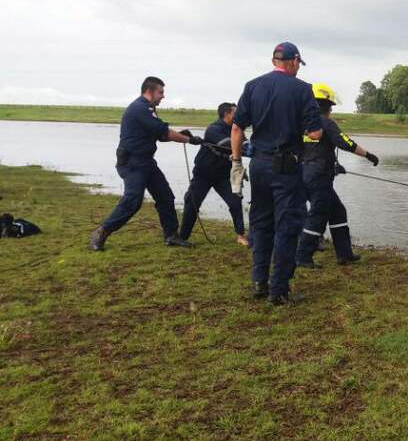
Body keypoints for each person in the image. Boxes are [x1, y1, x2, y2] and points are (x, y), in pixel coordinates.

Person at [230, 42, 322, 305]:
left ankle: (259, 281)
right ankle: (279, 289)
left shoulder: (252, 86)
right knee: (287, 226)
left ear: (274, 61)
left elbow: (236, 129)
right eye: (298, 64)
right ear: (294, 61)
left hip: (258, 164)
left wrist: (236, 162)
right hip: (287, 168)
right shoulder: (302, 89)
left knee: (261, 222)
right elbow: (315, 133)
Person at [89, 76, 202, 251]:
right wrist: (189, 139)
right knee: (133, 200)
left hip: (146, 161)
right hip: (132, 162)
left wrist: (182, 134)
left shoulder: (148, 108)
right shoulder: (140, 108)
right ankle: (101, 232)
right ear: (150, 91)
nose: (163, 96)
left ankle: (171, 235)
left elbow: (161, 135)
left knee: (165, 196)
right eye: (161, 92)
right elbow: (165, 132)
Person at [295, 84, 379, 269]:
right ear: (325, 106)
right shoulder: (325, 123)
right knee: (318, 215)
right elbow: (345, 143)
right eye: (331, 107)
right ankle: (302, 256)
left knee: (338, 211)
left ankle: (344, 254)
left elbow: (309, 149)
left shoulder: (301, 123)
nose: (331, 111)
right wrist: (368, 155)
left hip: (304, 174)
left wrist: (333, 164)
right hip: (319, 177)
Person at [178, 102, 248, 246]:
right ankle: (182, 237)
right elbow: (226, 144)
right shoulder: (213, 129)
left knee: (235, 201)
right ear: (227, 114)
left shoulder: (237, 129)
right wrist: (242, 146)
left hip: (223, 175)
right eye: (235, 113)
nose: (238, 115)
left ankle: (240, 235)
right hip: (203, 174)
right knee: (192, 203)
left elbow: (246, 146)